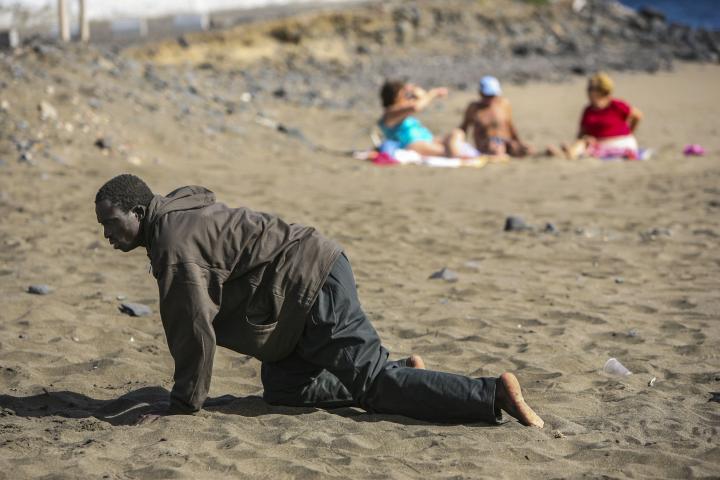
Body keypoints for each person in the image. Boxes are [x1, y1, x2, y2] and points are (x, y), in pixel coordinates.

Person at [94, 174, 544, 427]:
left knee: (374, 387)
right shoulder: (173, 212)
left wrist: (183, 405)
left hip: (309, 284)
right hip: (290, 302)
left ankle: (492, 394)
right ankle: (405, 374)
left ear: (138, 212)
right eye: (102, 227)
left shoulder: (173, 245)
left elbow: (193, 331)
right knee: (286, 390)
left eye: (112, 223)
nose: (108, 236)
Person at [379, 80, 478, 158]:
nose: (407, 98)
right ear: (396, 97)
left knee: (457, 133)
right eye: (404, 95)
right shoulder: (390, 113)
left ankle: (457, 153)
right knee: (445, 151)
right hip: (413, 144)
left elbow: (420, 99)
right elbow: (416, 106)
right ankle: (457, 155)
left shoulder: (402, 111)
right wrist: (433, 93)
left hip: (428, 139)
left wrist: (414, 89)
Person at [561, 72, 643, 160]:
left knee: (583, 144)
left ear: (602, 90)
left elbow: (638, 115)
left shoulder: (616, 105)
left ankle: (567, 154)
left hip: (620, 142)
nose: (587, 91)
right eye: (588, 88)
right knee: (584, 142)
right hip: (599, 144)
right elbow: (582, 132)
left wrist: (631, 132)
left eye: (591, 88)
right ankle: (570, 152)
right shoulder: (588, 110)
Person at [459, 76, 532, 157]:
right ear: (480, 93)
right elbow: (463, 129)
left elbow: (510, 126)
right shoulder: (474, 108)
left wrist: (518, 142)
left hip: (506, 141)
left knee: (526, 150)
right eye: (486, 96)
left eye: (492, 96)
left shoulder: (504, 104)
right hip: (486, 145)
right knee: (495, 148)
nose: (489, 99)